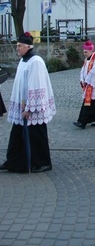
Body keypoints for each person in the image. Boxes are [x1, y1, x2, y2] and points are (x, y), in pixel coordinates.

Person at [0, 32, 56, 173]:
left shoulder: (35, 61)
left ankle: (43, 162)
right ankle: (13, 161)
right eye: (17, 45)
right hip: (22, 105)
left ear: (28, 46)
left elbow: (36, 86)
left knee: (37, 135)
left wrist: (30, 108)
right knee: (17, 134)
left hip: (32, 107)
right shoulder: (24, 60)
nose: (17, 48)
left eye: (19, 46)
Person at [73, 40, 95, 129]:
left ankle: (82, 121)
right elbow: (83, 70)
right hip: (89, 84)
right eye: (83, 51)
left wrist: (88, 81)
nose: (84, 53)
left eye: (86, 52)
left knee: (89, 104)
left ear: (91, 51)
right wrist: (82, 79)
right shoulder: (86, 60)